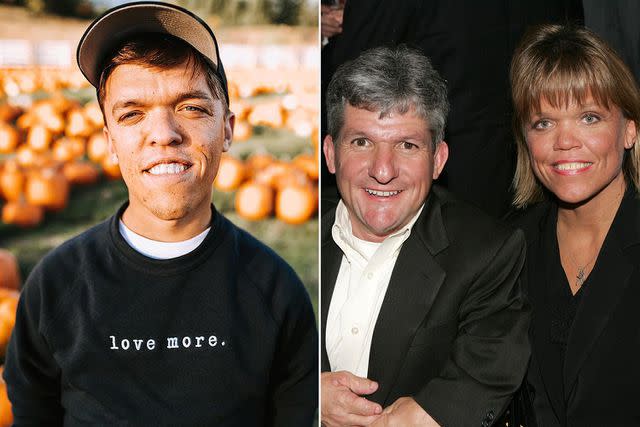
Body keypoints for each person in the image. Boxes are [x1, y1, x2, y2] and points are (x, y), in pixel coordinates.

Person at [3, 2, 317, 425]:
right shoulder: (54, 289)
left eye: (191, 107)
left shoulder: (277, 294)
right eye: (132, 114)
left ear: (227, 128)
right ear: (110, 140)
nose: (164, 135)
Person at [320, 45, 530, 427]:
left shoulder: (486, 251)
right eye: (362, 142)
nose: (383, 170)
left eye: (407, 145)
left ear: (438, 160)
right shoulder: (290, 236)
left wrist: (426, 416)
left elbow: (488, 369)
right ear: (331, 154)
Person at [320, 0, 584, 219]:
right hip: (537, 166)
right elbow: (570, 43)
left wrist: (324, 35)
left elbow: (352, 77)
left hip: (437, 181)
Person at [509, 24, 640, 426]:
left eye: (588, 117)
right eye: (544, 123)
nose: (564, 141)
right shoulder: (509, 248)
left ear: (629, 130)